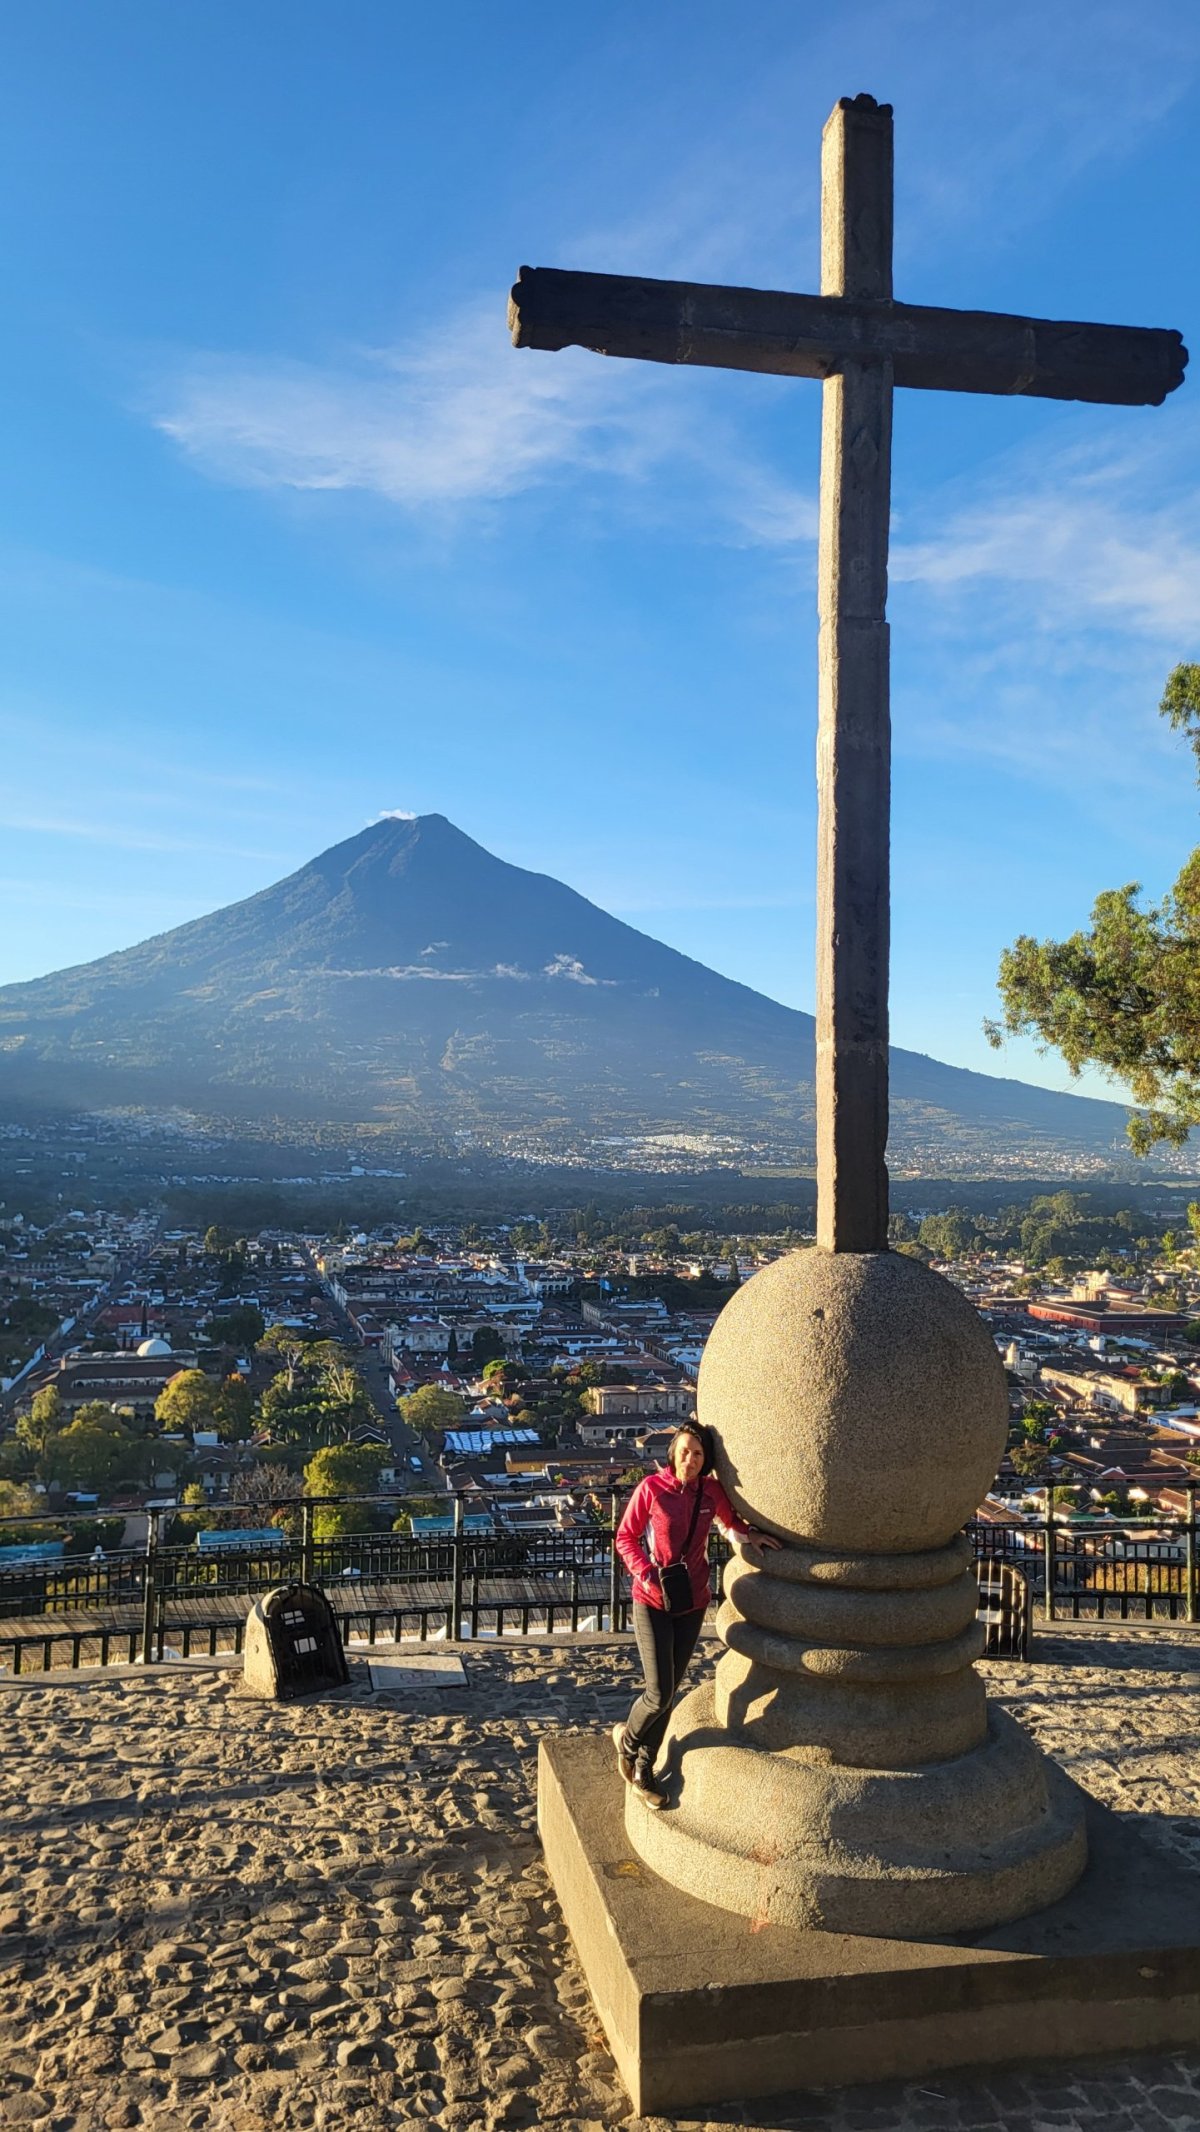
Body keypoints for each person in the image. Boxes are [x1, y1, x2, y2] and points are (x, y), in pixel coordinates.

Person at [612, 1422, 781, 1808]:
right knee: (657, 1693)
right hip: (651, 1600)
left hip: (692, 1601)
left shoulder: (710, 1491)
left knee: (669, 1693)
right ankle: (629, 1742)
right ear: (673, 1452)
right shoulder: (652, 1489)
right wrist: (647, 1573)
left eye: (699, 1453)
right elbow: (626, 1537)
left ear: (707, 1461)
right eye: (685, 1451)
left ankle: (644, 1768)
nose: (690, 1459)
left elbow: (729, 1525)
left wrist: (750, 1535)